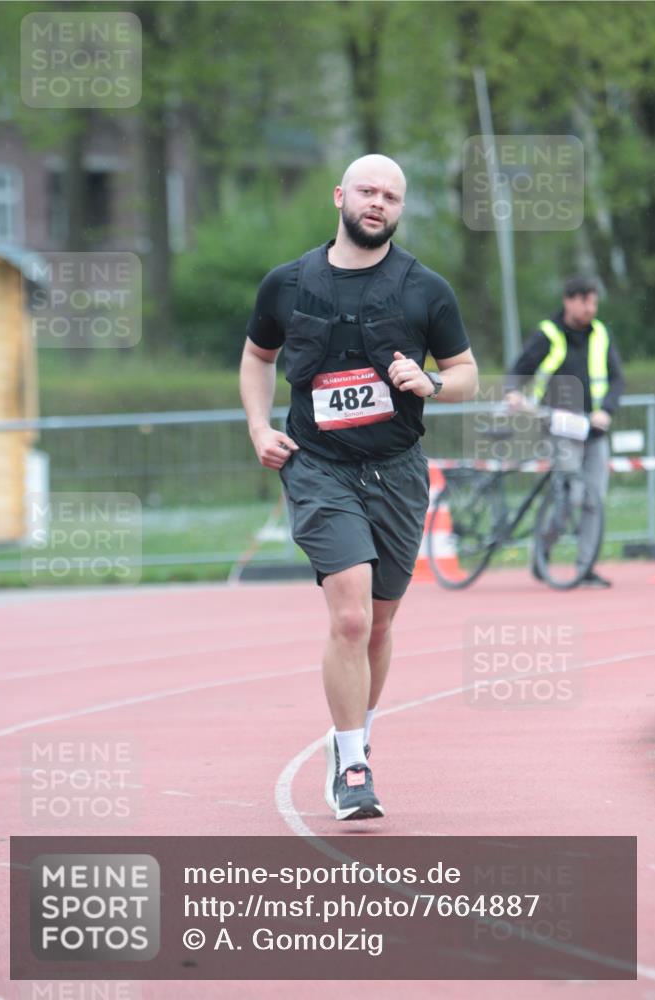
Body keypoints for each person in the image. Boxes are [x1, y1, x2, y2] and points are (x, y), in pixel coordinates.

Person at [240, 154, 478, 821]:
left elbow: (465, 372)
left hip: (397, 471)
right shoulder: (286, 284)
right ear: (339, 195)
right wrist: (259, 427)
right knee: (347, 615)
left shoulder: (424, 289)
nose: (378, 203)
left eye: (392, 197)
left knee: (378, 622)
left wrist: (432, 383)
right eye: (368, 191)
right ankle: (352, 763)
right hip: (316, 466)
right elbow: (257, 357)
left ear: (400, 211)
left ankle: (353, 736)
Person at [505, 276, 625, 588]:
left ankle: (585, 568)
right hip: (559, 427)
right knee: (569, 498)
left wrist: (606, 410)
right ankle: (542, 553)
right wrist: (513, 392)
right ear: (569, 301)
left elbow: (617, 379)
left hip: (594, 430)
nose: (590, 308)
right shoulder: (549, 333)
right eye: (585, 301)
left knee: (594, 499)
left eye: (594, 302)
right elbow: (520, 368)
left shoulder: (601, 334)